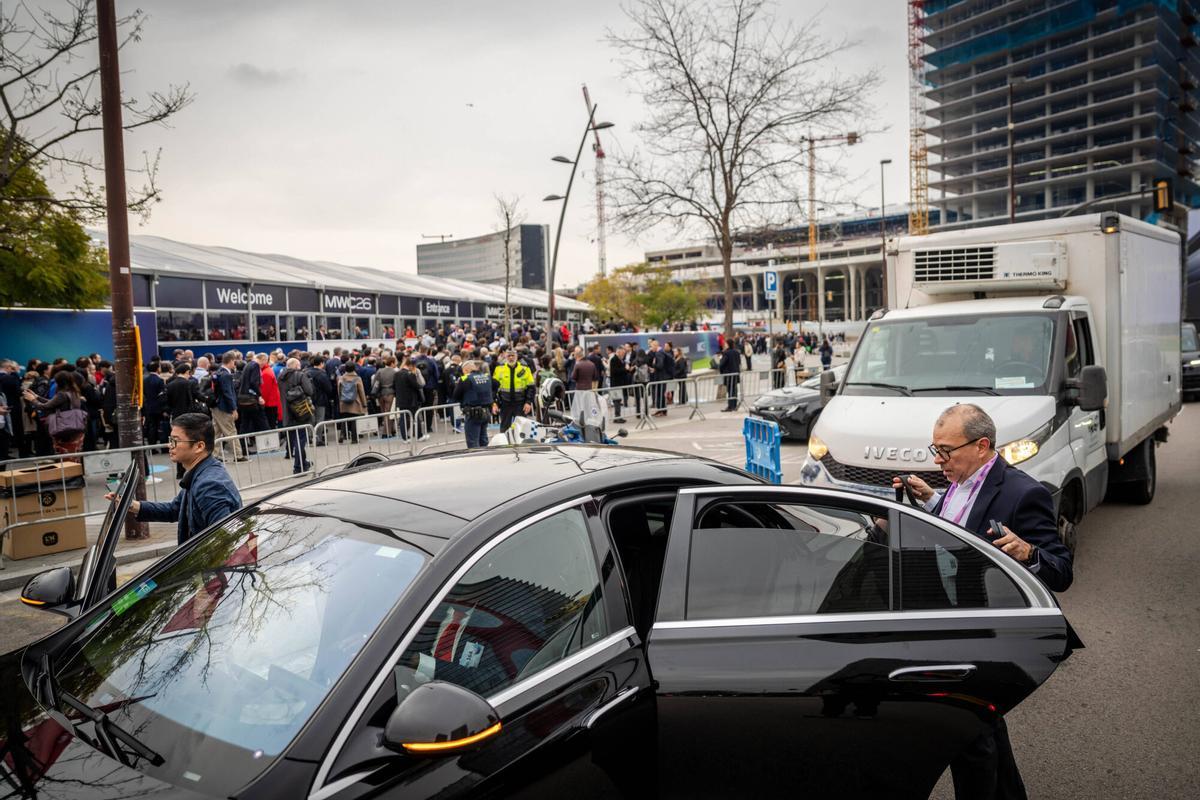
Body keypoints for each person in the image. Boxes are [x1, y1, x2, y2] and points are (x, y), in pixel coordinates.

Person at [891, 403, 1072, 800]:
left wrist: (1029, 552)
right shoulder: (957, 482)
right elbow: (964, 529)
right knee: (981, 730)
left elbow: (1061, 571)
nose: (938, 460)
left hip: (988, 634)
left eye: (946, 450)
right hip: (954, 625)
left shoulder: (1025, 493)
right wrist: (933, 503)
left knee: (969, 735)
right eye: (935, 449)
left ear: (982, 445)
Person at [112, 413, 242, 546]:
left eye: (175, 440)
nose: (170, 445)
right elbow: (174, 509)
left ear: (199, 446)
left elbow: (227, 538)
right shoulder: (201, 473)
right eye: (170, 440)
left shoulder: (209, 485)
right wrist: (133, 505)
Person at [22, 372, 87, 454]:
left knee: (64, 451)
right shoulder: (73, 392)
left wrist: (33, 400)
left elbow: (45, 407)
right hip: (76, 425)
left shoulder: (62, 394)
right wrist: (37, 397)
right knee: (74, 450)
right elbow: (52, 403)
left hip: (64, 427)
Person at [278, 358, 314, 474]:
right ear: (296, 366)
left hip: (287, 412)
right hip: (301, 411)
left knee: (295, 439)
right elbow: (309, 391)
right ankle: (298, 467)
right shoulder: (300, 375)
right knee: (301, 440)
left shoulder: (281, 377)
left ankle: (303, 463)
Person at [212, 351, 246, 462]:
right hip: (224, 407)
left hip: (216, 406)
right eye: (234, 361)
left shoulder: (217, 372)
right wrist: (234, 408)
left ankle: (215, 455)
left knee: (216, 431)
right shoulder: (226, 375)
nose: (235, 364)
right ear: (231, 361)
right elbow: (228, 393)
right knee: (230, 430)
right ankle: (238, 455)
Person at [491, 348, 535, 432]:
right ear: (505, 356)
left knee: (521, 429)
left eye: (513, 355)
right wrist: (494, 403)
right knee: (504, 429)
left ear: (517, 356)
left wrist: (528, 402)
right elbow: (493, 388)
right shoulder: (499, 369)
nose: (511, 358)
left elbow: (531, 387)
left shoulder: (525, 369)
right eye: (509, 356)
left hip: (520, 403)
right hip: (505, 403)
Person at [453, 360, 494, 449]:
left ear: (466, 370)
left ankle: (476, 461)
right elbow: (495, 386)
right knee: (483, 440)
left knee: (473, 442)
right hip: (486, 412)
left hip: (473, 413)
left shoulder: (465, 379)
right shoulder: (486, 376)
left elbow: (455, 395)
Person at [336, 362, 367, 443]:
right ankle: (354, 439)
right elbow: (361, 392)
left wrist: (341, 400)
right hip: (355, 402)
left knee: (344, 419)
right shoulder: (357, 378)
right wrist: (364, 403)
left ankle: (342, 434)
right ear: (354, 369)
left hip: (344, 402)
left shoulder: (341, 378)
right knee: (354, 420)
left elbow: (339, 391)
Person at [718, 339, 742, 412]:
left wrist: (722, 372)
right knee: (734, 390)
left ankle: (730, 406)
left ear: (728, 344)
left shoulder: (726, 353)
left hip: (729, 374)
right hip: (735, 374)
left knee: (730, 390)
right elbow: (739, 363)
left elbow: (722, 364)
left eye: (725, 343)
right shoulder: (737, 352)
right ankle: (734, 405)